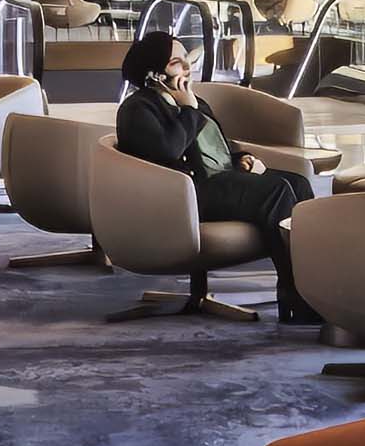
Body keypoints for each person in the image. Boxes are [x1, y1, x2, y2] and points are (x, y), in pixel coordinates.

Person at [113, 30, 321, 324]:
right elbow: (169, 150)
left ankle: (313, 287)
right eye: (176, 62)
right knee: (276, 192)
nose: (187, 67)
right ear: (155, 74)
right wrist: (187, 109)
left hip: (218, 180)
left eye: (186, 59)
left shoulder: (195, 101)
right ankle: (294, 296)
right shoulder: (138, 108)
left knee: (297, 183)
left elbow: (215, 147)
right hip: (184, 192)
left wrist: (241, 159)